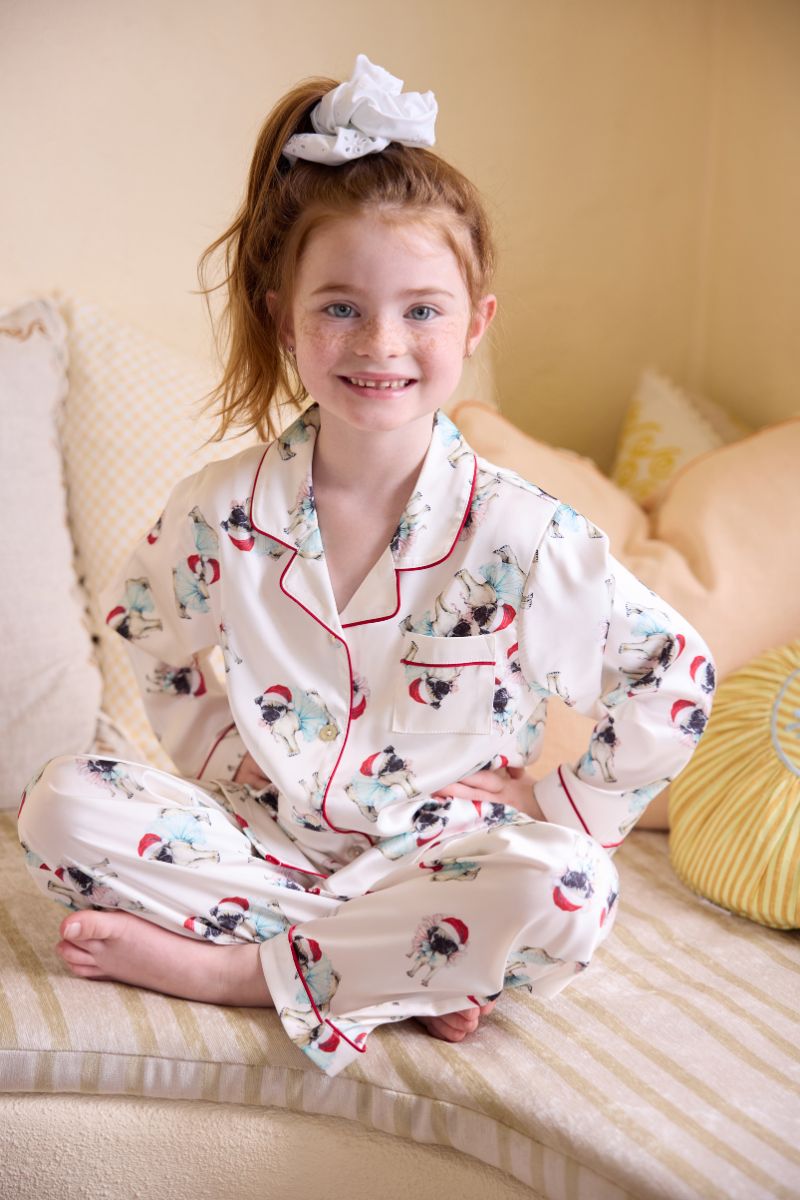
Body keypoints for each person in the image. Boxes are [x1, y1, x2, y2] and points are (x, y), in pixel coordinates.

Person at [17, 54, 715, 1077]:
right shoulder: (223, 510)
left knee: (568, 889)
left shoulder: (521, 535)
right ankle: (402, 967)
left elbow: (674, 673)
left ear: (475, 323)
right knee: (60, 805)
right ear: (282, 318)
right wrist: (217, 755)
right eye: (340, 307)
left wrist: (555, 807)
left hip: (445, 853)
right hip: (269, 838)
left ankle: (237, 971)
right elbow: (146, 627)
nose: (381, 341)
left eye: (422, 310)